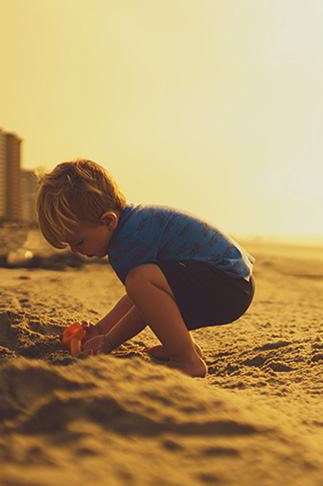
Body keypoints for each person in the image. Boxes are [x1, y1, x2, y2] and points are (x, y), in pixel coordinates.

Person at [35, 159, 255, 378]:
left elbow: (141, 303)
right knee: (146, 284)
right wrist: (101, 329)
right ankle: (184, 347)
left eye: (79, 242)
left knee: (141, 281)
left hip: (227, 286)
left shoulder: (128, 241)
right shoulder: (134, 223)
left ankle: (187, 359)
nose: (74, 251)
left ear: (108, 221)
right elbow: (140, 298)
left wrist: (108, 341)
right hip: (234, 283)